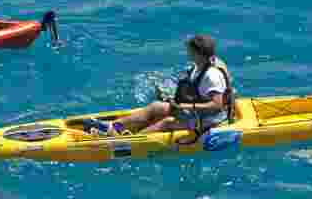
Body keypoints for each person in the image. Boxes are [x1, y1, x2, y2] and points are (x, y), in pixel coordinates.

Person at [92, 35, 235, 135]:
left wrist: (186, 106)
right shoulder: (201, 64)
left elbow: (217, 105)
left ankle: (131, 140)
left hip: (209, 121)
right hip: (195, 113)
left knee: (167, 122)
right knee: (156, 106)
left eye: (190, 51)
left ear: (198, 53)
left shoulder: (212, 75)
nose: (187, 53)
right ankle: (114, 126)